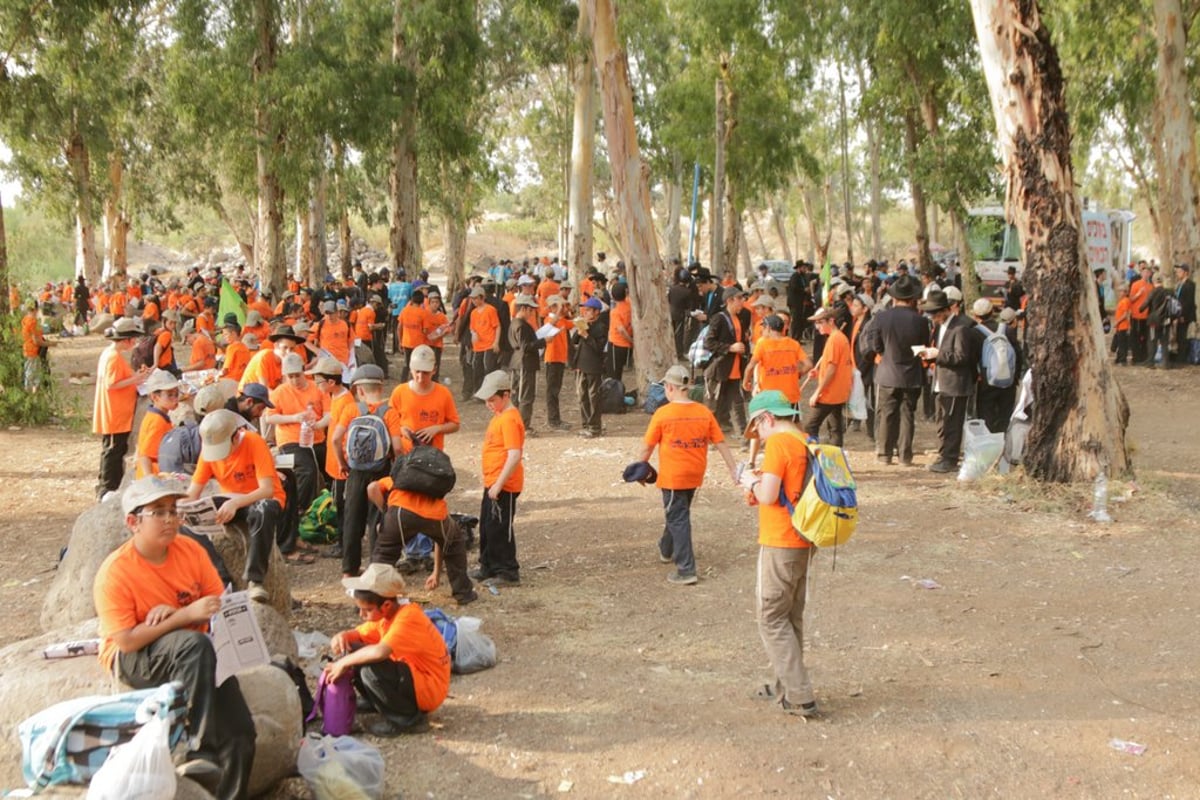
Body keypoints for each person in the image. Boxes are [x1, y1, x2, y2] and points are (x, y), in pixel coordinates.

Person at [94, 475, 256, 799]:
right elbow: (126, 641)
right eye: (159, 512)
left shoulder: (190, 550)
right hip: (135, 657)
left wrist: (175, 613)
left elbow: (215, 603)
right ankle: (199, 749)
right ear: (133, 522)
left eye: (173, 510)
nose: (170, 519)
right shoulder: (115, 571)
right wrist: (181, 616)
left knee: (242, 734)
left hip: (191, 653)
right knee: (193, 645)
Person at [737, 391, 819, 719]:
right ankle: (786, 686)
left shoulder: (779, 445)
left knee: (771, 617)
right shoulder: (806, 440)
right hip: (804, 537)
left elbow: (769, 494)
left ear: (767, 418)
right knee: (790, 615)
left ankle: (799, 695)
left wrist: (748, 481)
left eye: (758, 429)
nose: (758, 436)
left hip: (780, 540)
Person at [636, 366, 738, 585]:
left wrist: (639, 468)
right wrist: (733, 469)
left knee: (678, 516)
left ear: (670, 387)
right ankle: (666, 548)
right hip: (695, 474)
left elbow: (647, 447)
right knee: (677, 512)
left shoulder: (663, 414)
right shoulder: (704, 413)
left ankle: (686, 569)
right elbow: (720, 443)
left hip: (673, 476)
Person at [327, 564, 450, 736]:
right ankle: (376, 701)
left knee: (371, 669)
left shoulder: (408, 617)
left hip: (429, 688)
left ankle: (407, 720)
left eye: (367, 610)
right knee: (352, 650)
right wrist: (343, 636)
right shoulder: (386, 615)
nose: (361, 615)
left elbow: (379, 652)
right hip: (412, 675)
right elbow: (358, 635)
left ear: (385, 605)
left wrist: (343, 663)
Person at [186, 409, 286, 602]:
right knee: (184, 525)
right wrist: (180, 507)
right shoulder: (208, 452)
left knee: (263, 509)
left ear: (235, 437)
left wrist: (236, 502)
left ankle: (255, 580)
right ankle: (219, 579)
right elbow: (193, 493)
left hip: (258, 500)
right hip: (230, 502)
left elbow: (267, 490)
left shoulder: (253, 441)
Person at [331, 364, 405, 579]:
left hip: (355, 472)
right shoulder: (389, 413)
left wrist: (342, 462)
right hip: (381, 472)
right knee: (377, 520)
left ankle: (349, 570)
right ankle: (376, 568)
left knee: (352, 519)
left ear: (360, 390)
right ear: (380, 388)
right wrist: (396, 464)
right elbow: (398, 446)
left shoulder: (351, 410)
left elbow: (336, 439)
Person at [863, 274, 931, 465]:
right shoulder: (920, 321)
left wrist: (884, 354)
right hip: (912, 373)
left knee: (887, 413)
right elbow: (924, 346)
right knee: (908, 414)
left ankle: (885, 454)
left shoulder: (882, 317)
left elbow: (875, 345)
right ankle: (905, 455)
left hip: (887, 372)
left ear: (894, 297)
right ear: (912, 299)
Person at [918, 290, 983, 473]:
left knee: (952, 423)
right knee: (942, 422)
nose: (934, 317)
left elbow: (962, 357)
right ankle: (943, 454)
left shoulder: (960, 328)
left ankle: (950, 458)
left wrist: (938, 354)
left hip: (955, 383)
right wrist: (930, 355)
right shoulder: (940, 327)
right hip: (941, 380)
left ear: (947, 309)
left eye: (936, 312)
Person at [470, 370, 525, 586]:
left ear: (506, 395)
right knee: (487, 525)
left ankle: (507, 570)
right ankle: (487, 565)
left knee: (500, 528)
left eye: (492, 400)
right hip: (493, 482)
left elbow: (514, 455)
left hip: (504, 485)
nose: (489, 404)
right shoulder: (500, 416)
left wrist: (499, 483)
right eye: (487, 400)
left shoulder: (510, 419)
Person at [94, 317, 151, 500]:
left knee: (117, 450)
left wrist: (136, 376)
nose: (134, 343)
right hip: (114, 412)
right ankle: (106, 488)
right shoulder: (112, 357)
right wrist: (136, 379)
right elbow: (112, 384)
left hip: (119, 411)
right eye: (133, 339)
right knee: (112, 451)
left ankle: (111, 486)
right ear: (126, 339)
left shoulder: (113, 355)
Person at [802, 308, 853, 446]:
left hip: (829, 393)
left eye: (820, 322)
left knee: (810, 426)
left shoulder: (835, 340)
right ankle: (836, 461)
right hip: (838, 391)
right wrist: (818, 373)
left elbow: (832, 369)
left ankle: (813, 459)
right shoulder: (838, 338)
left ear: (831, 321)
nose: (817, 326)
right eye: (816, 323)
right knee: (835, 428)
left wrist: (817, 392)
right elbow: (835, 367)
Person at [703, 287, 750, 433]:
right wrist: (730, 348)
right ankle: (708, 435)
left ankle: (744, 436)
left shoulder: (740, 319)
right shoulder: (719, 318)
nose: (743, 302)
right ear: (730, 300)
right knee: (713, 405)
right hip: (720, 371)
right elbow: (708, 342)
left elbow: (742, 343)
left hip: (735, 370)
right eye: (740, 299)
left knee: (738, 404)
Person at [569, 297, 608, 438]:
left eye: (589, 310)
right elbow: (574, 341)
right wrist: (580, 328)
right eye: (585, 310)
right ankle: (585, 423)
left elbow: (599, 348)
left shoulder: (601, 327)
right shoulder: (585, 324)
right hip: (581, 365)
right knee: (582, 396)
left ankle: (595, 426)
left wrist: (586, 335)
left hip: (593, 367)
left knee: (593, 397)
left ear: (597, 312)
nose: (585, 312)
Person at [135, 369, 184, 478]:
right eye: (170, 395)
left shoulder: (157, 416)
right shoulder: (157, 422)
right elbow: (144, 456)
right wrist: (150, 480)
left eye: (176, 394)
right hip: (155, 476)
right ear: (155, 397)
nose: (175, 399)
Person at [508, 295, 541, 430]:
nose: (531, 313)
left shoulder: (515, 323)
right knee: (525, 396)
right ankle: (523, 426)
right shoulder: (520, 325)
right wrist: (543, 342)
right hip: (524, 363)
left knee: (517, 395)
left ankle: (517, 424)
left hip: (519, 362)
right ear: (523, 308)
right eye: (530, 310)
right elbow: (525, 346)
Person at [542, 295, 573, 430]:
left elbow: (574, 324)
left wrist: (570, 311)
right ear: (552, 307)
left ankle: (556, 419)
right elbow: (545, 332)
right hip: (552, 359)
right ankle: (553, 420)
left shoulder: (562, 321)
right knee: (552, 391)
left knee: (556, 391)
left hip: (560, 359)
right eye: (558, 306)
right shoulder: (549, 320)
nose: (561, 308)